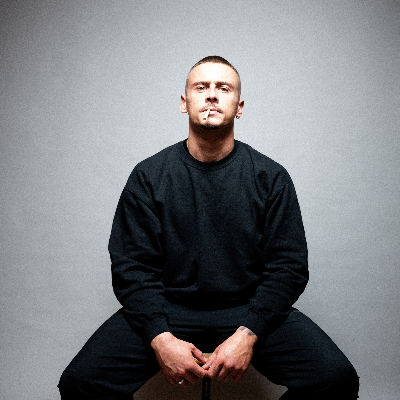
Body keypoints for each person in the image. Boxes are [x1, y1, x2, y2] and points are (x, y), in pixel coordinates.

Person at [58, 56, 359, 399]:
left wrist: (248, 333)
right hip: (169, 309)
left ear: (239, 107)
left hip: (247, 308)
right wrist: (160, 337)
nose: (212, 95)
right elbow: (132, 267)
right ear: (184, 102)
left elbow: (288, 267)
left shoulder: (270, 178)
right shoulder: (149, 176)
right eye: (201, 87)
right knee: (81, 382)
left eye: (223, 88)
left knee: (336, 378)